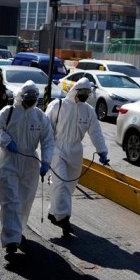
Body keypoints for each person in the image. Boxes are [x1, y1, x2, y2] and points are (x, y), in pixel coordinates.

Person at [0, 80, 54, 254]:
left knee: (25, 202)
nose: (31, 99)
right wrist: (6, 141)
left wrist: (46, 161)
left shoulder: (40, 116)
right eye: (28, 96)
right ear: (21, 96)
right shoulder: (9, 112)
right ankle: (11, 239)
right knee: (10, 200)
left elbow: (48, 140)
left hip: (31, 163)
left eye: (34, 97)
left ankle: (17, 230)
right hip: (10, 160)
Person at [45, 78, 108, 235]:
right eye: (83, 92)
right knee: (61, 184)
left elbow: (95, 132)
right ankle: (64, 220)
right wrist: (46, 151)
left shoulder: (88, 111)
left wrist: (102, 150)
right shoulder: (58, 105)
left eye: (88, 92)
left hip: (75, 150)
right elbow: (46, 128)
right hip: (58, 148)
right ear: (76, 90)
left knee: (70, 185)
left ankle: (54, 212)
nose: (86, 95)